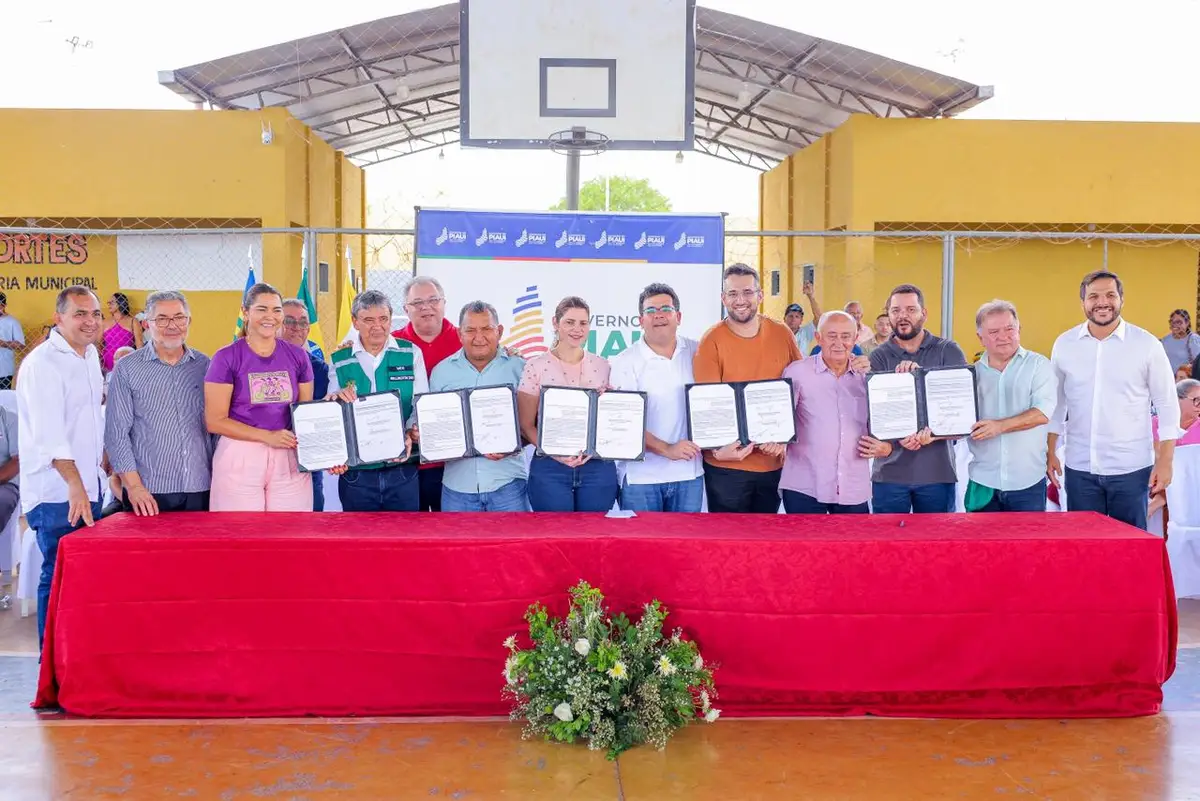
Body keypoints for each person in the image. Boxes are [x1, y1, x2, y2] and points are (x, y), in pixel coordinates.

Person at [1048, 270, 1178, 530]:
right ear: (1083, 302)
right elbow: (1056, 404)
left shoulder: (1146, 344)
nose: (1102, 302)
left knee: (1130, 545)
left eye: (1110, 295)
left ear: (1121, 299)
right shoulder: (1064, 344)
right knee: (1084, 545)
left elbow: (1167, 404)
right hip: (1080, 468)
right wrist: (1050, 450)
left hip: (1131, 469)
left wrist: (1165, 461)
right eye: (1093, 296)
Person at [16, 286, 105, 649]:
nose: (90, 321)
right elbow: (50, 435)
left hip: (89, 487)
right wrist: (75, 485)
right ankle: (50, 663)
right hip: (58, 494)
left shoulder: (89, 355)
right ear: (58, 318)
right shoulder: (43, 364)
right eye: (80, 313)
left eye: (95, 313)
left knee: (81, 580)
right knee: (57, 576)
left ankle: (76, 658)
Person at [693, 263, 802, 513]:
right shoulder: (711, 340)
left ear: (760, 295)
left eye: (747, 292)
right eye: (732, 294)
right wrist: (718, 450)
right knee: (729, 536)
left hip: (772, 463)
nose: (740, 300)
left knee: (765, 535)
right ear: (723, 299)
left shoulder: (782, 333)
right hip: (727, 467)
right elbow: (707, 405)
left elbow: (801, 386)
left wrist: (784, 439)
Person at [204, 282, 314, 512]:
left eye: (276, 310)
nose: (270, 316)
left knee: (290, 528)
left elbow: (305, 413)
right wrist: (266, 436)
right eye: (262, 309)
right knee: (241, 530)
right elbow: (215, 421)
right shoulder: (226, 357)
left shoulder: (298, 357)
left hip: (287, 452)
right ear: (245, 313)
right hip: (240, 453)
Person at [105, 290, 213, 515]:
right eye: (162, 319)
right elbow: (116, 433)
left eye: (179, 317)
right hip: (148, 492)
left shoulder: (206, 366)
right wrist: (134, 487)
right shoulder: (127, 369)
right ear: (147, 324)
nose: (172, 325)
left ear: (189, 321)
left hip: (200, 486)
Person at [868, 283, 968, 514]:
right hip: (889, 474)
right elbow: (873, 414)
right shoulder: (878, 357)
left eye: (910, 310)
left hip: (937, 474)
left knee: (937, 537)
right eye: (896, 310)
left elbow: (962, 415)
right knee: (888, 537)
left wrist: (933, 435)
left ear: (924, 313)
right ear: (888, 314)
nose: (902, 316)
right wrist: (899, 437)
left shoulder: (948, 351)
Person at [609, 283, 704, 513]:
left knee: (686, 538)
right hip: (641, 478)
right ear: (640, 320)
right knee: (642, 539)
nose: (659, 315)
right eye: (651, 310)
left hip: (688, 475)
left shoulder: (699, 352)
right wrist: (667, 449)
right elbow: (624, 424)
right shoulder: (624, 361)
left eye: (666, 309)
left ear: (678, 317)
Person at [328, 290, 427, 512]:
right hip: (357, 473)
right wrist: (336, 398)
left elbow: (420, 404)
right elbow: (332, 410)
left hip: (402, 469)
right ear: (355, 322)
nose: (377, 326)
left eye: (383, 319)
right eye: (368, 320)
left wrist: (411, 429)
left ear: (391, 319)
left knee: (404, 533)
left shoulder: (411, 353)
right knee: (359, 534)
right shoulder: (340, 359)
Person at [518, 296, 617, 512]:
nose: (577, 329)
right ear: (556, 323)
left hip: (597, 466)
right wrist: (555, 454)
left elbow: (611, 419)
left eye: (583, 323)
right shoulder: (536, 366)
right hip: (550, 467)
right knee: (555, 530)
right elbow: (526, 425)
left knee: (594, 530)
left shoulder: (603, 366)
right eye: (569, 322)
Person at [428, 301, 528, 512]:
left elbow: (532, 423)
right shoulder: (441, 372)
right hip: (457, 487)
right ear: (459, 333)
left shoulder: (521, 368)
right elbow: (430, 422)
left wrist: (513, 444)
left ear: (499, 331)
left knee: (515, 536)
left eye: (486, 329)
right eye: (470, 330)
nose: (479, 337)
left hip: (508, 484)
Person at [964, 300, 1057, 513]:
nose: (1003, 336)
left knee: (1028, 537)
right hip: (983, 481)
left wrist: (999, 426)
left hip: (1028, 482)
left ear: (1019, 329)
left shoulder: (1038, 365)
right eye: (994, 331)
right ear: (980, 338)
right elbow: (955, 420)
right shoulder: (969, 374)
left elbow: (1043, 413)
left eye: (1009, 329)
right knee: (979, 536)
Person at [781, 311, 878, 514]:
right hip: (805, 484)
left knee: (853, 537)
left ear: (855, 338)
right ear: (818, 338)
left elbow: (883, 423)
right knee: (803, 537)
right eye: (832, 336)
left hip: (853, 485)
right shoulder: (796, 372)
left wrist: (885, 446)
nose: (839, 343)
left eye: (846, 336)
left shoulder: (869, 376)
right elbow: (778, 422)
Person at [394, 277, 464, 513]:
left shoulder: (466, 340)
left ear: (444, 303)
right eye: (417, 302)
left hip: (455, 462)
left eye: (433, 300)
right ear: (406, 309)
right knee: (414, 530)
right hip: (408, 462)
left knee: (452, 529)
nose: (426, 307)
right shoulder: (391, 344)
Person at [281, 299, 331, 511]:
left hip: (308, 462)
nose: (296, 327)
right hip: (268, 458)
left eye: (302, 322)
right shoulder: (255, 363)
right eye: (289, 321)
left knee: (313, 521)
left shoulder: (320, 370)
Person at [101, 292, 142, 372]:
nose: (109, 304)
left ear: (120, 303)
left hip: (127, 363)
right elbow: (99, 345)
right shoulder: (104, 322)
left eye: (112, 302)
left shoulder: (133, 321)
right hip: (107, 364)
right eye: (108, 303)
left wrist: (139, 364)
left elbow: (139, 345)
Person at [782, 282, 821, 356]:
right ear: (784, 318)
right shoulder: (778, 333)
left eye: (797, 317)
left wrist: (810, 296)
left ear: (801, 320)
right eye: (790, 316)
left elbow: (819, 319)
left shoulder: (805, 333)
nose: (793, 319)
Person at [0, 292, 26, 390]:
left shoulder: (12, 322)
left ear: (4, 305)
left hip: (4, 372)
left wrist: (3, 343)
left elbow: (21, 346)